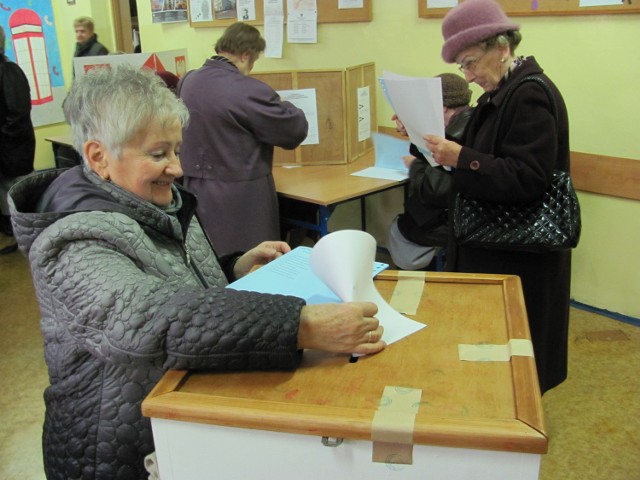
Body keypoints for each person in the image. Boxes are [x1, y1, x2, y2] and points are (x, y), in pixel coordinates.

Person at [8, 65, 385, 480]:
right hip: (112, 451)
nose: (177, 167)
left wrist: (234, 268)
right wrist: (299, 324)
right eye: (158, 154)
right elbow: (144, 317)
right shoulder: (72, 238)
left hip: (170, 422)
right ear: (99, 157)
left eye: (176, 150)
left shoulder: (154, 204)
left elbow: (172, 282)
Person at [424, 0, 571, 394]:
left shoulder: (528, 96)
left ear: (502, 47)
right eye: (462, 67)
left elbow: (528, 178)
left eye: (470, 62)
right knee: (494, 350)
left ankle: (516, 428)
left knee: (518, 354)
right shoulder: (501, 92)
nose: (468, 77)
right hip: (497, 244)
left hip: (518, 253)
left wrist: (462, 159)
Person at [178, 22, 308, 255]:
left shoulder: (188, 81)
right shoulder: (247, 89)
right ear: (246, 55)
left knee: (209, 260)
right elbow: (293, 131)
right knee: (254, 265)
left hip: (195, 190)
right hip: (241, 198)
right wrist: (287, 105)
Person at [387, 73, 474, 270]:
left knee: (401, 226)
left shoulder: (455, 136)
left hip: (450, 223)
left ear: (442, 107)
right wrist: (413, 130)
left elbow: (436, 189)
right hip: (461, 219)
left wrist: (414, 166)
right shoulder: (472, 122)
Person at [0, 26, 35, 254]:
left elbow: (17, 113)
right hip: (7, 149)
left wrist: (3, 139)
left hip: (13, 149)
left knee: (18, 194)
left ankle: (27, 238)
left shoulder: (8, 71)